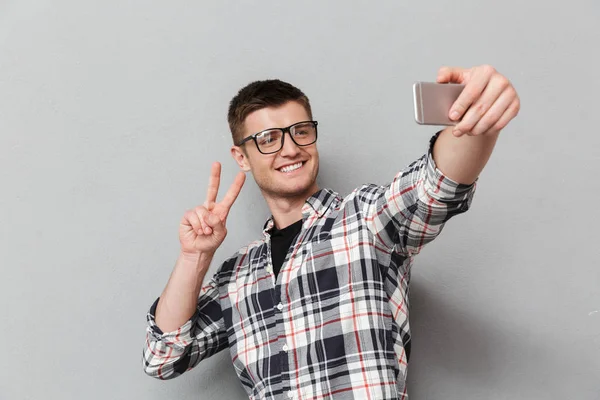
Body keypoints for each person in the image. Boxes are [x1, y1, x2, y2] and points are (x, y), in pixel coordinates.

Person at [142, 64, 520, 399]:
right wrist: (195, 256)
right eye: (268, 139)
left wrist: (478, 118)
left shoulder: (365, 219)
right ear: (242, 156)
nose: (289, 149)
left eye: (300, 131)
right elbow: (163, 357)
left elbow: (435, 188)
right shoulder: (235, 276)